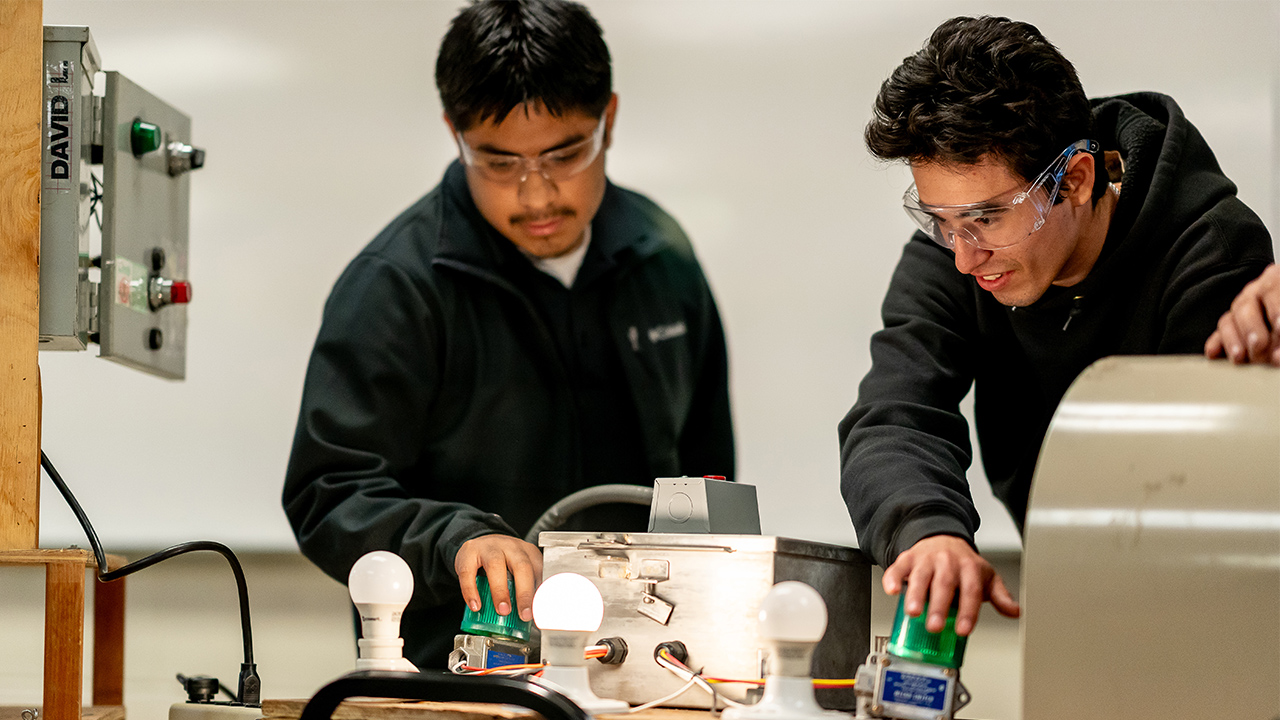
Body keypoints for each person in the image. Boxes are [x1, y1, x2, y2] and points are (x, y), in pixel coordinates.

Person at [282, 0, 733, 669]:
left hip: (645, 678)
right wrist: (455, 541)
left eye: (565, 154)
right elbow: (330, 494)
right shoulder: (398, 285)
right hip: (459, 682)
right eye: (498, 162)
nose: (536, 194)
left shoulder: (662, 258)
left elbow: (707, 479)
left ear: (608, 120)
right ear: (454, 133)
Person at [840, 16, 1273, 638]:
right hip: (1070, 589)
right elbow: (895, 413)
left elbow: (1199, 489)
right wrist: (925, 530)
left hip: (1206, 605)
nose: (964, 258)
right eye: (939, 220)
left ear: (1074, 180)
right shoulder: (954, 255)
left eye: (988, 218)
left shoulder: (1209, 252)